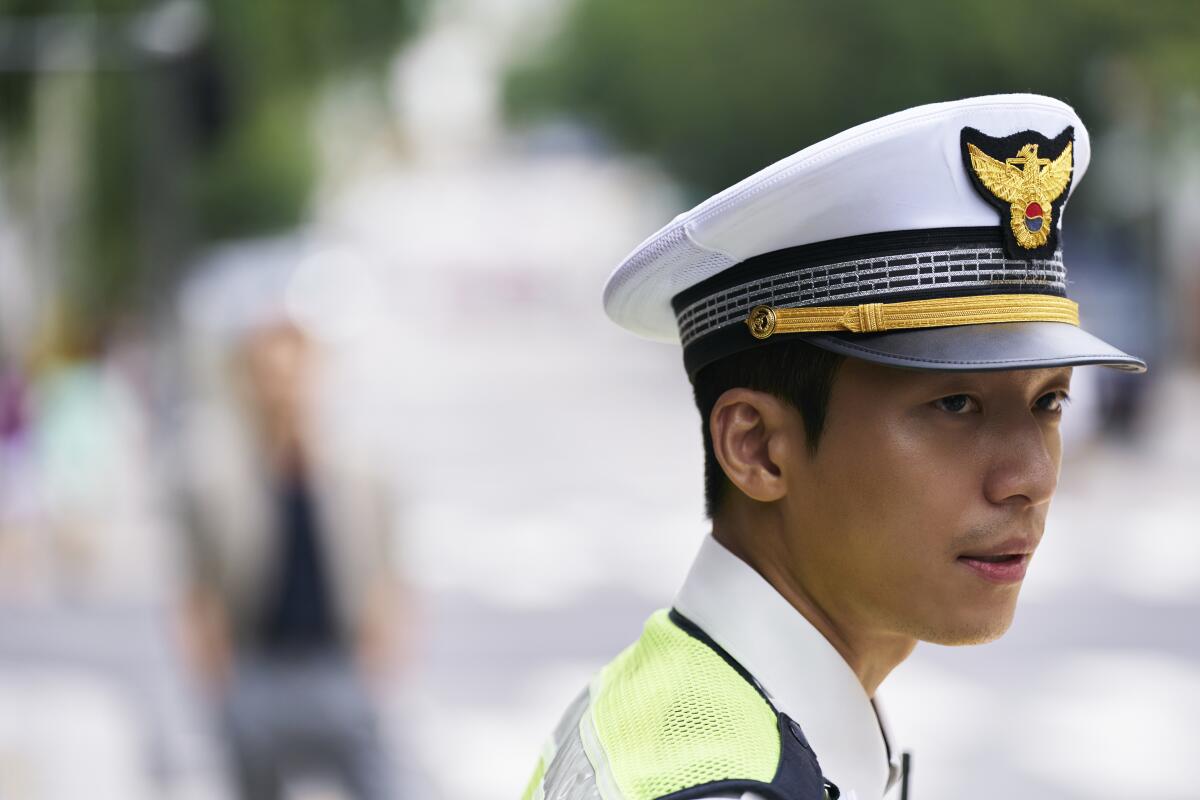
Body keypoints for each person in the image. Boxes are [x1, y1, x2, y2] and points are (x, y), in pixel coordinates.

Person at [523, 94, 1146, 800]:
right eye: (955, 403)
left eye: (1048, 402)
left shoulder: (678, 697)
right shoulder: (730, 783)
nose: (1031, 477)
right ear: (756, 448)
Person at [177, 319, 405, 800]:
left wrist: (379, 659)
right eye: (268, 376)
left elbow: (389, 572)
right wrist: (218, 677)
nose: (282, 391)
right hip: (257, 667)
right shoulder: (219, 477)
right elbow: (198, 587)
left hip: (337, 665)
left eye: (293, 375)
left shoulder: (357, 471)